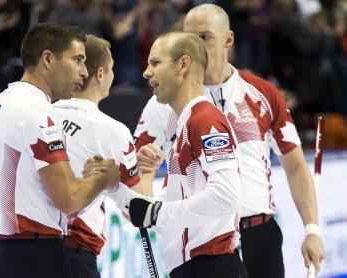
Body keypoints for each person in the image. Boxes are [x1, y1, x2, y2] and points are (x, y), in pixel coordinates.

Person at [133, 4, 325, 278]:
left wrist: (312, 230)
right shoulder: (161, 103)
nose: (194, 46)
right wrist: (148, 209)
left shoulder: (262, 93)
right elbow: (138, 169)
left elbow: (295, 165)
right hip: (204, 244)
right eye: (188, 37)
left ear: (228, 39)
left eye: (205, 37)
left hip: (259, 235)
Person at [0, 23, 120, 278]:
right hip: (34, 256)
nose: (84, 71)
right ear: (47, 59)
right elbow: (69, 199)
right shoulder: (38, 111)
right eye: (77, 60)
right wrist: (103, 178)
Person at [128, 31, 244, 277]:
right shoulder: (182, 124)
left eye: (156, 63)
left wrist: (157, 213)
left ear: (183, 65)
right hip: (193, 267)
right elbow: (183, 217)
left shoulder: (205, 120)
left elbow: (227, 196)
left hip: (211, 266)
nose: (146, 72)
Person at [53, 35, 162, 278]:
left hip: (29, 249)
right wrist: (149, 167)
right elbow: (138, 210)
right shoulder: (110, 130)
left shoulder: (42, 114)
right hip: (75, 254)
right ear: (100, 74)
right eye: (112, 69)